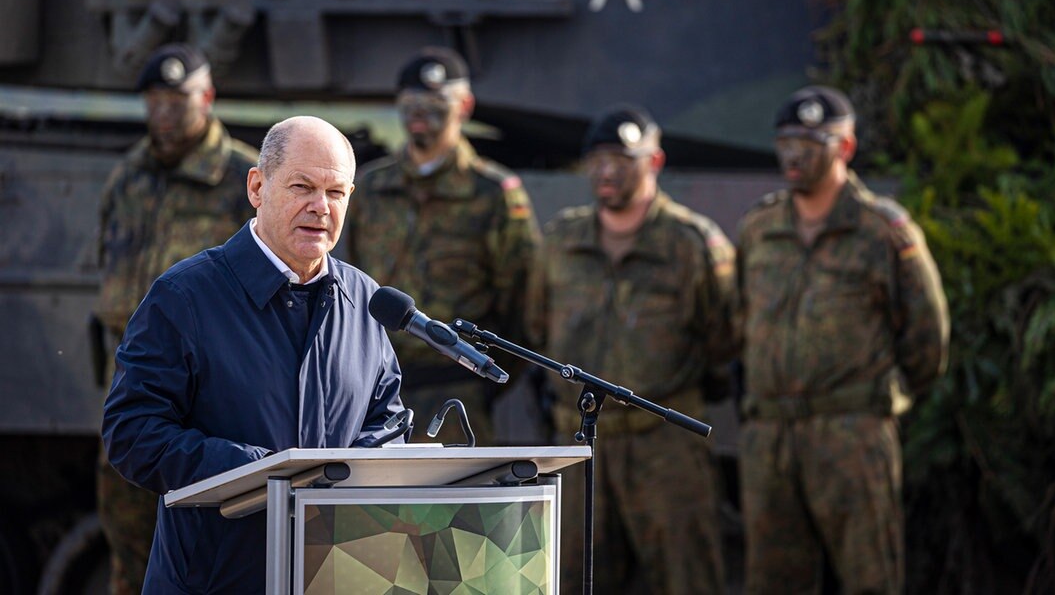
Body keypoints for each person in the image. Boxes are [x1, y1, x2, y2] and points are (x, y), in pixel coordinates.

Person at [101, 116, 405, 593]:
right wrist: (258, 471)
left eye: (336, 193)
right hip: (216, 580)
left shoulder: (365, 300)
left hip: (334, 574)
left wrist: (346, 478)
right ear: (257, 187)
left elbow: (387, 424)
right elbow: (132, 432)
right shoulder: (185, 296)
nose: (320, 207)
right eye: (302, 186)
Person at [736, 86, 950, 594]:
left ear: (846, 148)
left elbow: (927, 337)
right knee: (772, 580)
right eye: (786, 141)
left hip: (851, 433)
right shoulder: (760, 228)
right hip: (770, 436)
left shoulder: (883, 231)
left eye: (811, 142)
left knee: (868, 576)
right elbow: (735, 321)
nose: (793, 154)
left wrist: (877, 401)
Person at [526, 105, 737, 594]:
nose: (606, 171)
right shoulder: (560, 243)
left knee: (686, 576)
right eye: (596, 159)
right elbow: (536, 327)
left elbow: (723, 339)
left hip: (664, 447)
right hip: (576, 446)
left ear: (654, 162)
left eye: (623, 159)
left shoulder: (692, 244)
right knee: (571, 578)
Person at [94, 42, 259, 595]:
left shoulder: (243, 176)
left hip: (214, 383)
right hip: (137, 375)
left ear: (207, 98)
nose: (165, 111)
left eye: (179, 98)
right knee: (127, 532)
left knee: (212, 539)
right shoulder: (129, 176)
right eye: (156, 99)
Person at [346, 46, 540, 445]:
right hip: (376, 393)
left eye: (436, 102)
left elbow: (524, 304)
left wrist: (486, 378)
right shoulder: (370, 187)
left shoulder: (494, 193)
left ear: (465, 105)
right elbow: (349, 283)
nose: (421, 113)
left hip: (457, 395)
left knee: (453, 508)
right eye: (412, 102)